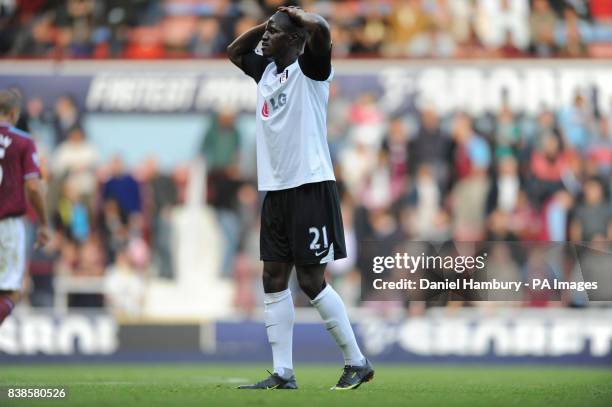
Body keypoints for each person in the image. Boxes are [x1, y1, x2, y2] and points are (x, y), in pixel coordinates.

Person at [227, 6, 373, 390]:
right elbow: (234, 51)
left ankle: (356, 361)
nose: (265, 38)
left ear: (294, 40)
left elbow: (322, 30)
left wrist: (298, 18)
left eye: (274, 33)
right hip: (275, 189)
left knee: (310, 280)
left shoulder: (311, 70)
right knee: (273, 277)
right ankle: (283, 372)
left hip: (310, 185)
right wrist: (269, 22)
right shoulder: (266, 73)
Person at [0, 89, 50, 326]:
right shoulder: (23, 141)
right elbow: (33, 187)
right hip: (7, 227)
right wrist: (44, 222)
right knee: (10, 293)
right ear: (14, 113)